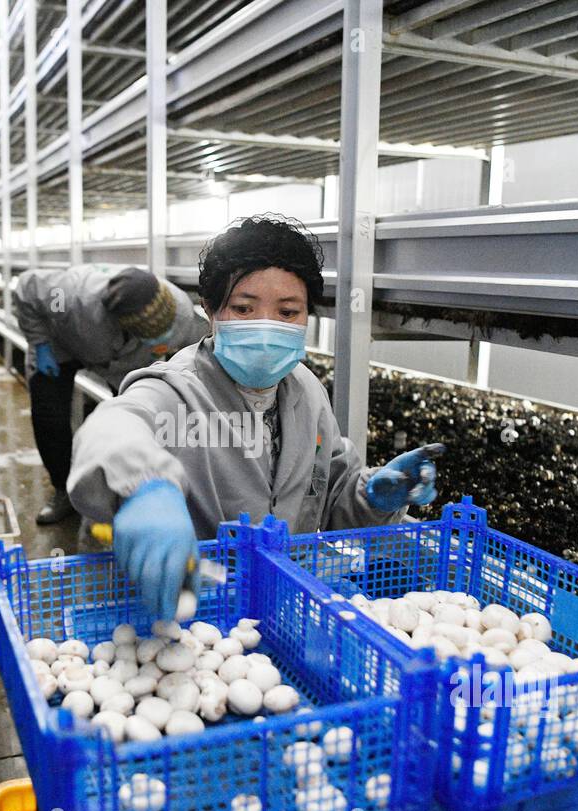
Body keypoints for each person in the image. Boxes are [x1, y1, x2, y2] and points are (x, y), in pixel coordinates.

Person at [68, 215, 442, 622]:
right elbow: (112, 425)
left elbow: (329, 501)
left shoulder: (307, 393)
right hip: (193, 612)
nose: (266, 327)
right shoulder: (176, 390)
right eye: (244, 308)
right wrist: (145, 488)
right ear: (210, 311)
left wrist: (370, 497)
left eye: (288, 312)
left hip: (282, 609)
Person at [14, 264, 206, 525]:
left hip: (125, 362)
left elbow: (202, 351)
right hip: (60, 347)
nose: (167, 337)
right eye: (156, 334)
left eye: (168, 332)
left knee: (140, 421)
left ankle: (135, 487)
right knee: (50, 418)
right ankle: (63, 491)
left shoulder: (181, 310)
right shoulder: (72, 296)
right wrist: (40, 343)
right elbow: (26, 287)